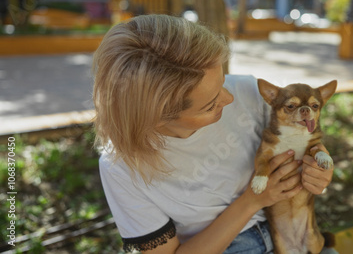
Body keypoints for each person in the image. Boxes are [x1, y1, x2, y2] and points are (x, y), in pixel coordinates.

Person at [93, 14, 334, 253]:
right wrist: (253, 200)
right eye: (210, 105)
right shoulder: (122, 168)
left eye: (223, 83)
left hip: (303, 233)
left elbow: (305, 143)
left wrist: (320, 172)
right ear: (155, 119)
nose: (230, 98)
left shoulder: (246, 90)